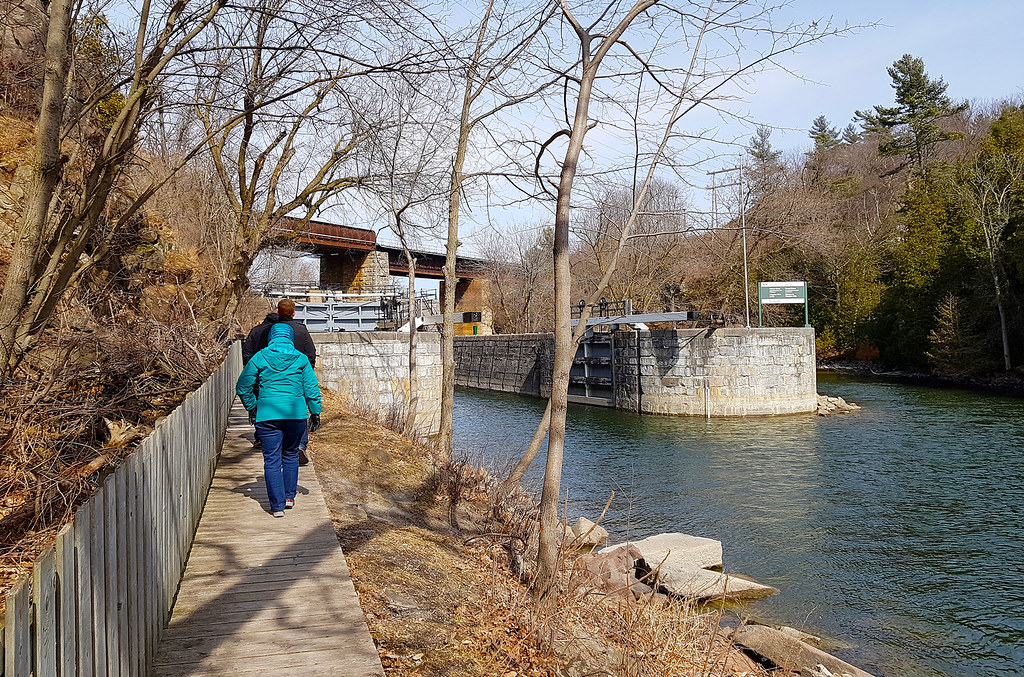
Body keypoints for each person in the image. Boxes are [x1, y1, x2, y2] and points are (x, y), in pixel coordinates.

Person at [236, 323, 322, 517]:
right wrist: (315, 412)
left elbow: (243, 386)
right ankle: (289, 497)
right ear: (290, 338)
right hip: (295, 415)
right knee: (291, 454)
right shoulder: (300, 359)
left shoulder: (260, 357)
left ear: (270, 338)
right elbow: (311, 387)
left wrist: (252, 406)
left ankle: (277, 506)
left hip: (267, 416)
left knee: (272, 460)